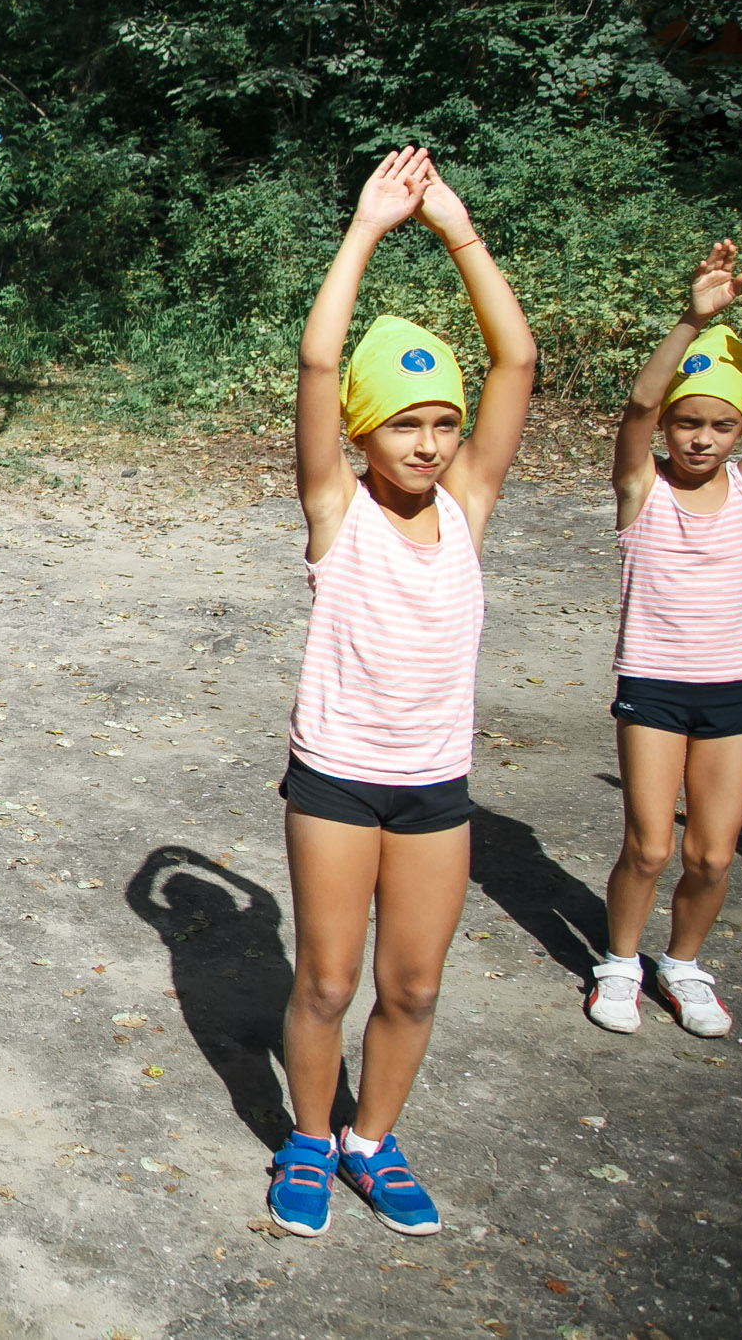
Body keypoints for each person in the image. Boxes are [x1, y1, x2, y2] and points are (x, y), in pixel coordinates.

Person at [268, 147, 536, 1239]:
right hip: (335, 777)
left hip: (434, 785)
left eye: (440, 421)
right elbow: (319, 362)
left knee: (414, 985)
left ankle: (371, 1141)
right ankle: (306, 1134)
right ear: (361, 436)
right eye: (403, 423)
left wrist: (459, 232)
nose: (425, 441)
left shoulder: (467, 502)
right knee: (328, 979)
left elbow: (516, 361)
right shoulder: (337, 509)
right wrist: (368, 231)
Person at [591, 240, 742, 1039]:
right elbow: (634, 406)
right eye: (688, 421)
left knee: (715, 857)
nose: (701, 438)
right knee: (653, 845)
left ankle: (684, 964)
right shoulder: (642, 487)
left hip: (732, 689)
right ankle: (621, 962)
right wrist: (693, 319)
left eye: (722, 424)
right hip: (654, 686)